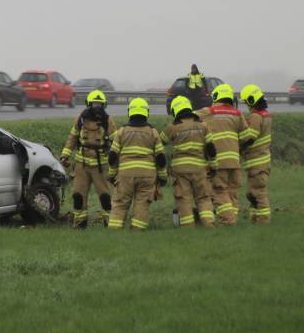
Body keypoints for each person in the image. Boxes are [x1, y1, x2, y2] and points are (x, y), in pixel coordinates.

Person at [195, 84, 252, 224]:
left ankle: (228, 221)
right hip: (234, 161)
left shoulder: (208, 111)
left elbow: (189, 117)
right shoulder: (237, 114)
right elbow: (247, 137)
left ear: (216, 97)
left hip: (218, 161)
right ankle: (233, 220)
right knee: (232, 192)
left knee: (219, 192)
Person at [107, 98, 167, 230]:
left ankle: (113, 232)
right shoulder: (153, 132)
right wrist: (162, 177)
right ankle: (137, 232)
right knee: (142, 204)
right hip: (147, 176)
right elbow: (161, 158)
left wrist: (111, 175)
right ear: (147, 113)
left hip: (125, 175)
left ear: (130, 112)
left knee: (120, 204)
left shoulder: (121, 132)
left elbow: (112, 156)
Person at [60, 90, 117, 228]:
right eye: (94, 104)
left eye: (99, 104)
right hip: (82, 165)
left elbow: (116, 141)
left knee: (105, 197)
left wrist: (116, 161)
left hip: (101, 165)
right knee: (78, 196)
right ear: (88, 104)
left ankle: (109, 224)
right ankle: (80, 224)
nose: (96, 107)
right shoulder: (80, 119)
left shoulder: (108, 120)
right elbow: (72, 137)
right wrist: (65, 154)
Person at [160, 96, 216, 228]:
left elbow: (159, 142)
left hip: (181, 171)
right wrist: (213, 166)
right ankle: (209, 225)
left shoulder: (172, 127)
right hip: (200, 168)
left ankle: (188, 227)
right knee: (203, 198)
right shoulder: (203, 125)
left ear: (175, 111)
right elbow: (211, 148)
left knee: (184, 199)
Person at [240, 84, 273, 224]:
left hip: (257, 162)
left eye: (246, 102)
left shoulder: (255, 117)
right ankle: (254, 219)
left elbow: (250, 137)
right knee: (251, 194)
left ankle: (263, 220)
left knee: (258, 193)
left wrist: (237, 144)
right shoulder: (266, 115)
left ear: (252, 100)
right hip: (261, 161)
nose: (247, 105)